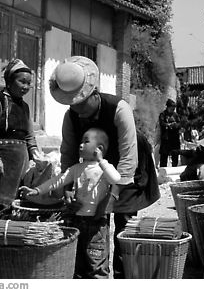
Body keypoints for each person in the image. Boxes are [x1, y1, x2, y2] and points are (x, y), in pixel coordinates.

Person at [49, 55, 139, 279]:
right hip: (93, 176)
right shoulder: (71, 117)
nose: (76, 108)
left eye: (80, 102)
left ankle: (124, 278)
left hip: (123, 171)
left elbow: (128, 157)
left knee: (124, 227)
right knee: (90, 226)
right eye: (72, 103)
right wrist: (68, 187)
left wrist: (113, 196)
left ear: (94, 94)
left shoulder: (119, 109)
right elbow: (68, 153)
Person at [20, 128, 120, 278]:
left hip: (97, 223)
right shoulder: (76, 169)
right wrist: (37, 190)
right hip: (77, 220)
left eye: (86, 142)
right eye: (81, 141)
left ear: (99, 149)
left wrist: (101, 160)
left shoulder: (104, 168)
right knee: (77, 262)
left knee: (96, 263)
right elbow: (58, 181)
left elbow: (116, 179)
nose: (80, 145)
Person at [0, 58, 46, 220]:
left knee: (13, 208)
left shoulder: (24, 106)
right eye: (22, 82)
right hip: (0, 164)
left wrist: (35, 153)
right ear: (9, 80)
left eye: (29, 83)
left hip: (18, 166)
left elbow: (29, 134)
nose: (26, 87)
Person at [158, 99, 181, 167]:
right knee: (164, 156)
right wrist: (168, 125)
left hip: (174, 139)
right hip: (166, 138)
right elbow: (162, 123)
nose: (173, 109)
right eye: (172, 108)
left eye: (174, 108)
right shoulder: (163, 114)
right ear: (168, 107)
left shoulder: (175, 115)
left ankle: (174, 168)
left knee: (175, 155)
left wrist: (175, 125)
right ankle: (163, 170)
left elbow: (179, 124)